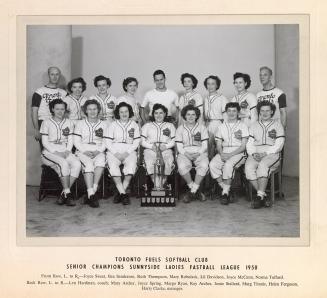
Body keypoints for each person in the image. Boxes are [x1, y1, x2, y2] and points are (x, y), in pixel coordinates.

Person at [40, 99, 81, 206]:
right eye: (57, 109)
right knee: (63, 164)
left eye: (62, 109)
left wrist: (67, 151)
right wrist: (55, 152)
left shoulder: (69, 122)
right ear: (52, 109)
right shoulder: (46, 122)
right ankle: (68, 194)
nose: (60, 111)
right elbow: (44, 142)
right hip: (49, 152)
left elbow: (70, 139)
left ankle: (64, 193)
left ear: (65, 110)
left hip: (64, 150)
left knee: (77, 164)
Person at [245, 100, 285, 208]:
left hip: (272, 153)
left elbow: (279, 144)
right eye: (262, 111)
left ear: (272, 112)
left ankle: (259, 197)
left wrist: (265, 153)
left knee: (263, 166)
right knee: (248, 168)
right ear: (259, 112)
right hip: (256, 152)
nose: (265, 113)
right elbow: (250, 143)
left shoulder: (278, 125)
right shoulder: (254, 125)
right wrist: (253, 154)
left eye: (267, 110)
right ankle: (262, 195)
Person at [209, 102, 249, 205]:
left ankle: (225, 194)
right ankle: (226, 188)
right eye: (229, 111)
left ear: (238, 112)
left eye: (234, 111)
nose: (231, 113)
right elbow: (218, 144)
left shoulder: (243, 126)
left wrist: (230, 155)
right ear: (226, 112)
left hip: (239, 152)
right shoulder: (221, 126)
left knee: (228, 165)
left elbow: (243, 146)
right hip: (224, 151)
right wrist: (221, 154)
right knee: (212, 165)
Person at [104, 102, 141, 205]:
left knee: (131, 166)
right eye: (121, 112)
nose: (124, 114)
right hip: (114, 149)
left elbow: (136, 141)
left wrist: (127, 152)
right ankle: (123, 194)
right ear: (118, 113)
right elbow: (107, 142)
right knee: (113, 167)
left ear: (130, 113)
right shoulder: (113, 124)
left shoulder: (134, 125)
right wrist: (116, 153)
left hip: (129, 149)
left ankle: (121, 193)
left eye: (126, 111)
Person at [73, 99, 108, 208]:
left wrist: (98, 151)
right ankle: (92, 195)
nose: (92, 111)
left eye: (94, 109)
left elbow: (106, 142)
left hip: (98, 150)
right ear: (85, 111)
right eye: (89, 109)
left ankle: (91, 193)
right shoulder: (80, 124)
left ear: (98, 110)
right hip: (83, 150)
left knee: (101, 162)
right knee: (88, 165)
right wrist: (85, 151)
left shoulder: (104, 124)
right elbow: (76, 141)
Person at [176, 105, 209, 203]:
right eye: (188, 114)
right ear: (184, 116)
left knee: (204, 165)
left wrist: (198, 153)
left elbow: (205, 145)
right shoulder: (180, 129)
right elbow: (179, 146)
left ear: (197, 116)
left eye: (193, 114)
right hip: (184, 152)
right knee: (181, 166)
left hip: (200, 152)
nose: (190, 117)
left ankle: (192, 192)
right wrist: (186, 154)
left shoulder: (202, 128)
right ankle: (195, 190)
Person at [141, 103, 176, 187]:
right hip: (151, 149)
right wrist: (150, 146)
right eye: (156, 113)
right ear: (153, 114)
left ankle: (158, 187)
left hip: (165, 149)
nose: (158, 115)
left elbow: (175, 140)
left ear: (165, 114)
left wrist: (166, 146)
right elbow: (141, 141)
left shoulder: (170, 125)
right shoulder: (147, 125)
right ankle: (159, 187)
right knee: (150, 162)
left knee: (167, 162)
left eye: (161, 113)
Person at [31, 66, 67, 144]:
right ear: (48, 75)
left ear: (59, 76)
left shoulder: (64, 93)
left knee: (59, 148)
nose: (54, 77)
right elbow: (34, 111)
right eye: (52, 74)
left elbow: (68, 111)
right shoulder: (39, 91)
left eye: (57, 74)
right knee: (46, 150)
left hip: (59, 123)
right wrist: (36, 129)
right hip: (43, 122)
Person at [203, 75, 228, 158]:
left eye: (213, 84)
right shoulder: (205, 98)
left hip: (218, 123)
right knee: (207, 147)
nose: (210, 86)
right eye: (208, 84)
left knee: (218, 147)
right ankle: (208, 166)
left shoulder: (222, 98)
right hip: (207, 123)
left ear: (217, 85)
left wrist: (224, 128)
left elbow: (226, 115)